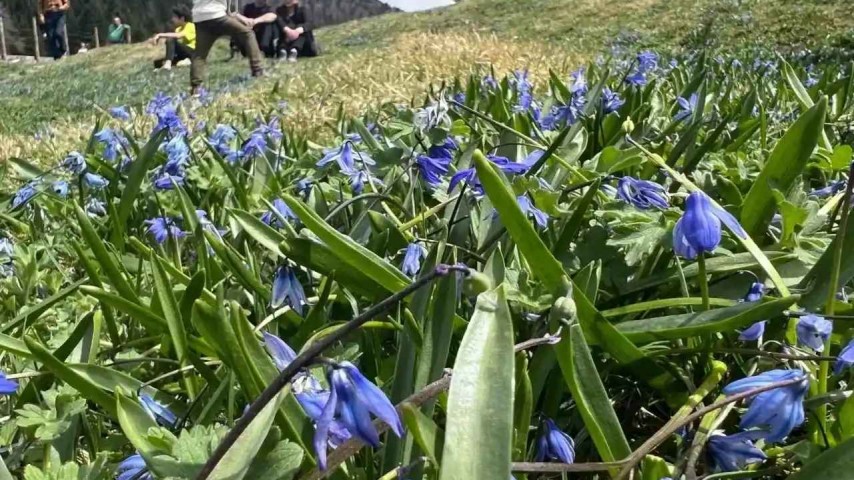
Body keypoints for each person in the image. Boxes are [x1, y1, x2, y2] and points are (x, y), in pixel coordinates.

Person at [191, 0, 264, 94]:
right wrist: (240, 18)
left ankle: (195, 87)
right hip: (216, 14)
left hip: (199, 17)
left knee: (200, 55)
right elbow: (231, 10)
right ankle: (257, 70)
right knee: (247, 34)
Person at [151, 6, 196, 71]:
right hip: (183, 53)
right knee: (157, 63)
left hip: (192, 52)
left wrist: (160, 35)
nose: (172, 19)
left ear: (182, 18)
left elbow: (178, 36)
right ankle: (185, 61)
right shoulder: (178, 29)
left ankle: (168, 63)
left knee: (170, 39)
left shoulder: (190, 26)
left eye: (174, 17)